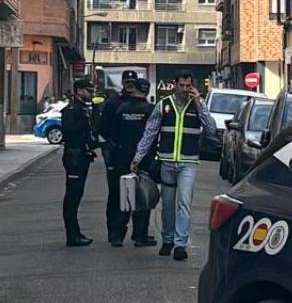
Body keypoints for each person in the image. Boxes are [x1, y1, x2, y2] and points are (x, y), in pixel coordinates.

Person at [132, 71, 216, 261]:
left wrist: (200, 104)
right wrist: (138, 157)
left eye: (188, 86)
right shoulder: (163, 106)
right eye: (182, 85)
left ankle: (180, 244)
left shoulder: (196, 106)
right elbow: (150, 133)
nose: (185, 89)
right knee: (168, 205)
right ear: (174, 85)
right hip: (167, 162)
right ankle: (168, 240)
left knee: (184, 203)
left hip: (188, 163)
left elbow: (211, 129)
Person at [99, 75, 157, 248]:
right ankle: (140, 236)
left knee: (124, 197)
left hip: (123, 157)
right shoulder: (152, 110)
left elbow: (110, 133)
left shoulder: (121, 109)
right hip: (144, 159)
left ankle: (117, 235)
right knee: (143, 196)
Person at [60, 76, 99, 247]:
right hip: (74, 156)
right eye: (88, 91)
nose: (91, 94)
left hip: (82, 155)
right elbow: (68, 132)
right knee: (72, 196)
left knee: (78, 195)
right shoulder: (71, 110)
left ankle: (76, 232)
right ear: (78, 92)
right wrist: (84, 123)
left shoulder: (84, 108)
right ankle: (72, 235)